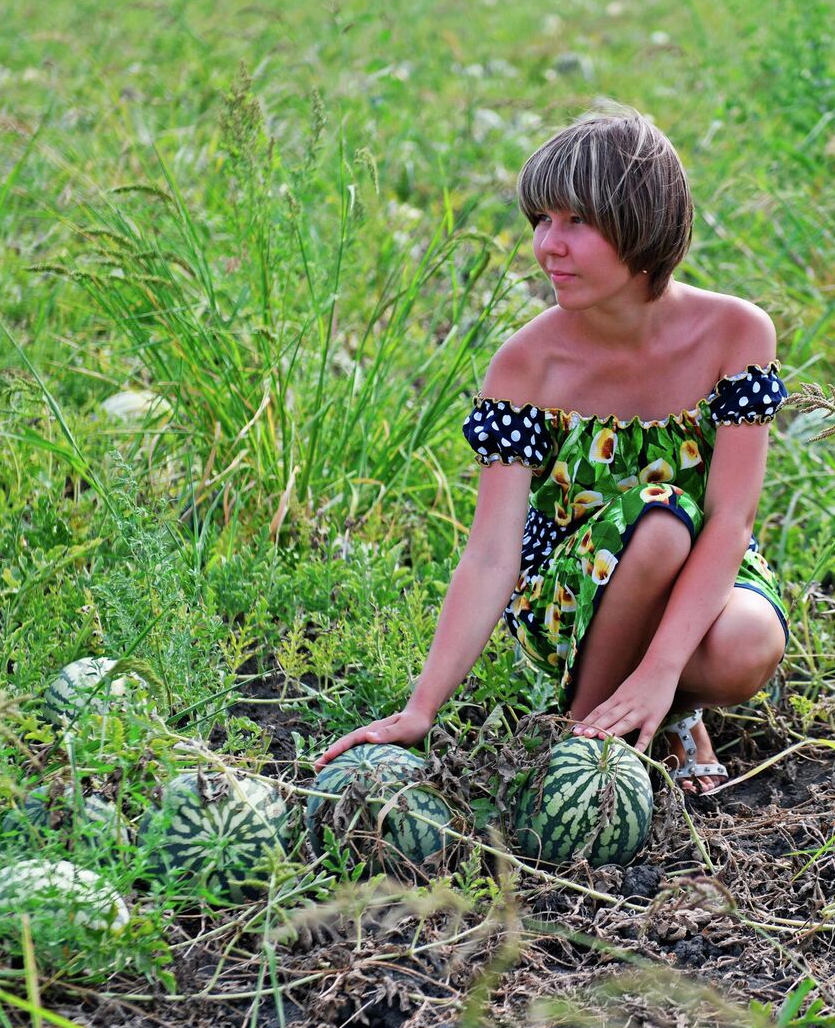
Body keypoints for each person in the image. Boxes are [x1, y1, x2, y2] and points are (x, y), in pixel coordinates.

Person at [315, 102, 790, 795]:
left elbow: (730, 520)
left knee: (746, 641)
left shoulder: (736, 334)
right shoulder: (527, 366)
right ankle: (578, 743)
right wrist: (422, 708)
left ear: (643, 224)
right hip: (569, 595)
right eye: (540, 221)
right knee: (657, 523)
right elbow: (489, 552)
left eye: (576, 222)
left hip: (704, 566)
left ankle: (670, 707)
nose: (547, 245)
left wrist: (664, 670)